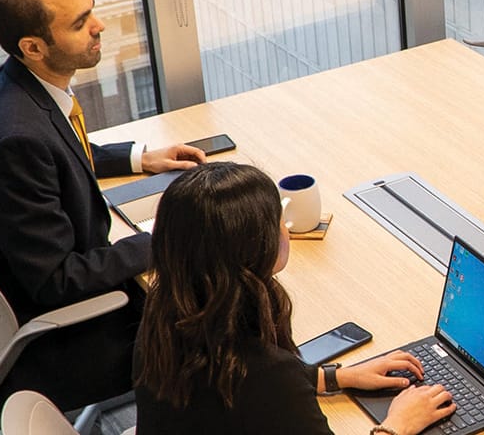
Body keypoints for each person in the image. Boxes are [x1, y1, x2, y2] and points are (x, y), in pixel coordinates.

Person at [0, 0, 204, 410]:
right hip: (58, 343)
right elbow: (59, 281)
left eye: (91, 11)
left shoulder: (20, 90)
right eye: (79, 23)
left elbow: (58, 151)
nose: (99, 26)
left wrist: (137, 158)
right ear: (33, 46)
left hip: (35, 302)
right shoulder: (15, 142)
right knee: (213, 321)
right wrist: (166, 239)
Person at [133, 163, 454, 434]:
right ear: (254, 247)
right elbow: (260, 383)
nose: (284, 228)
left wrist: (333, 377)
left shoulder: (164, 313)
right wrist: (397, 424)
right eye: (277, 220)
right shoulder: (268, 376)